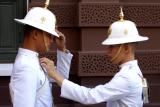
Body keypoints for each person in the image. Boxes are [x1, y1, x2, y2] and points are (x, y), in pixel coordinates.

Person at [40, 7, 149, 107]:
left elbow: (89, 96)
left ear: (125, 48)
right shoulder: (134, 72)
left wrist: (54, 74)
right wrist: (62, 50)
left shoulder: (127, 77)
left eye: (112, 47)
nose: (108, 52)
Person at [9, 1, 73, 107]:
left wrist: (62, 49)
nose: (51, 40)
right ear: (35, 34)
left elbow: (61, 78)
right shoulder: (26, 67)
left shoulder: (32, 60)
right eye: (49, 35)